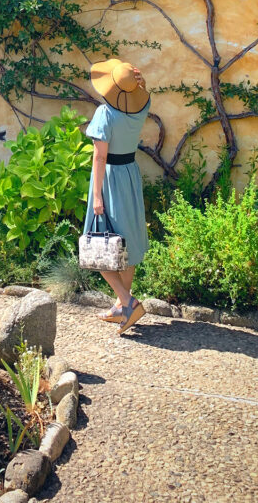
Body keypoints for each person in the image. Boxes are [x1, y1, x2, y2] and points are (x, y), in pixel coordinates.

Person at [83, 58, 151, 334]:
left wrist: (97, 196)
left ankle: (128, 301)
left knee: (98, 247)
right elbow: (143, 98)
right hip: (130, 175)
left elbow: (99, 157)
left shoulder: (104, 114)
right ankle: (121, 308)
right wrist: (141, 87)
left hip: (109, 178)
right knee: (127, 243)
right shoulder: (142, 108)